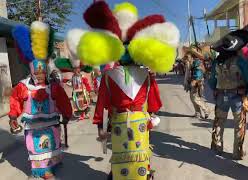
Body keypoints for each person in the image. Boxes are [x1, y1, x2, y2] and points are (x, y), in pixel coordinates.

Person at [66, 1, 180, 179]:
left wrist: (100, 126)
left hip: (130, 124)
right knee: (127, 159)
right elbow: (154, 104)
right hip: (129, 123)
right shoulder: (115, 76)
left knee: (135, 158)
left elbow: (103, 104)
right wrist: (152, 116)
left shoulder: (115, 76)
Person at [9, 21, 72, 179]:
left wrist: (67, 114)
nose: (39, 76)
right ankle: (43, 171)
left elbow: (63, 101)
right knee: (36, 148)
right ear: (31, 72)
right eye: (36, 74)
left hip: (51, 124)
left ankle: (54, 164)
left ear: (46, 71)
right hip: (33, 127)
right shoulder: (23, 87)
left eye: (41, 73)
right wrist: (12, 117)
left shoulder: (54, 87)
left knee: (52, 145)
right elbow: (15, 100)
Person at [209, 29, 248, 160]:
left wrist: (215, 89)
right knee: (239, 126)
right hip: (237, 97)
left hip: (221, 96)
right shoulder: (240, 61)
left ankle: (218, 148)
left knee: (219, 122)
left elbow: (211, 81)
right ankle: (237, 153)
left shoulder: (216, 62)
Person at [184, 50, 211, 119]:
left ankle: (206, 110)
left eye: (187, 57)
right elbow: (188, 73)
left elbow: (198, 72)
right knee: (193, 98)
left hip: (197, 82)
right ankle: (197, 113)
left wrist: (195, 80)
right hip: (192, 82)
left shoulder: (197, 62)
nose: (186, 58)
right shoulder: (189, 63)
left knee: (195, 98)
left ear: (192, 56)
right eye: (186, 57)